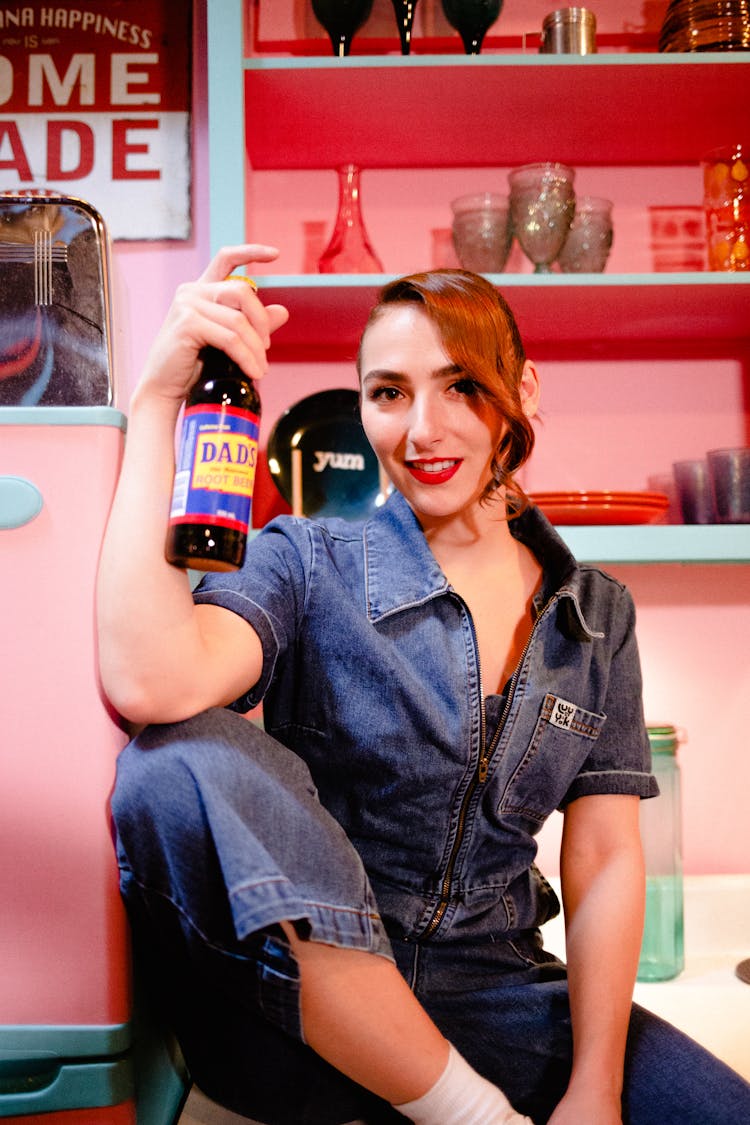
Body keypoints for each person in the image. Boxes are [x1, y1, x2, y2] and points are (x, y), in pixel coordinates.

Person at [97, 245, 750, 1125]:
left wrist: (596, 1086)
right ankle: (463, 1111)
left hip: (501, 996)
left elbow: (603, 859)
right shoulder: (304, 558)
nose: (422, 429)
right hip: (304, 1010)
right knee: (174, 758)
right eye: (390, 392)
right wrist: (154, 404)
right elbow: (149, 678)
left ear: (522, 391)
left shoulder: (595, 616)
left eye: (462, 386)